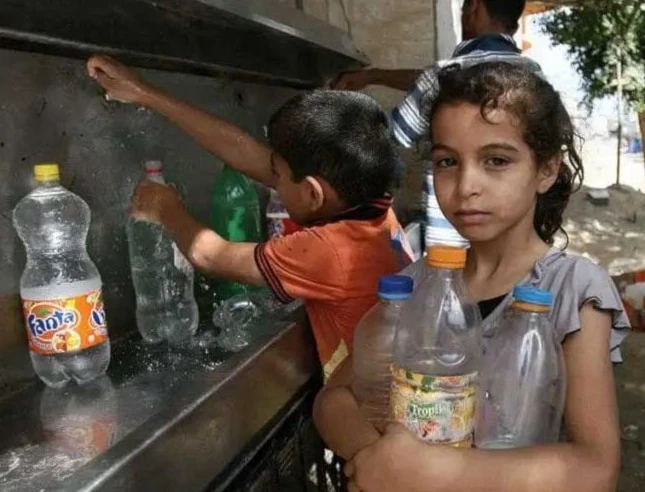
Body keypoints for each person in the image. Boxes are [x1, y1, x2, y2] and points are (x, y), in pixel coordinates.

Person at [314, 62, 630, 492]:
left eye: (496, 160)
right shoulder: (420, 283)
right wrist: (379, 460)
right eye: (447, 161)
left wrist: (425, 474)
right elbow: (333, 399)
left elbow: (595, 469)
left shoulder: (573, 290)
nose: (466, 185)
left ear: (546, 170)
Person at [86, 55, 414, 379]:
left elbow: (210, 255)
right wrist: (145, 93)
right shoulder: (377, 213)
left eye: (278, 177)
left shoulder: (331, 251)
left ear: (313, 194)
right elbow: (249, 154)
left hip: (365, 409)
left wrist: (166, 209)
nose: (273, 182)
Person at [333, 0, 539, 248]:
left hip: (450, 247)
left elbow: (391, 139)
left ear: (474, 7)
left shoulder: (443, 76)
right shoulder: (536, 80)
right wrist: (374, 75)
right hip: (511, 248)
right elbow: (431, 79)